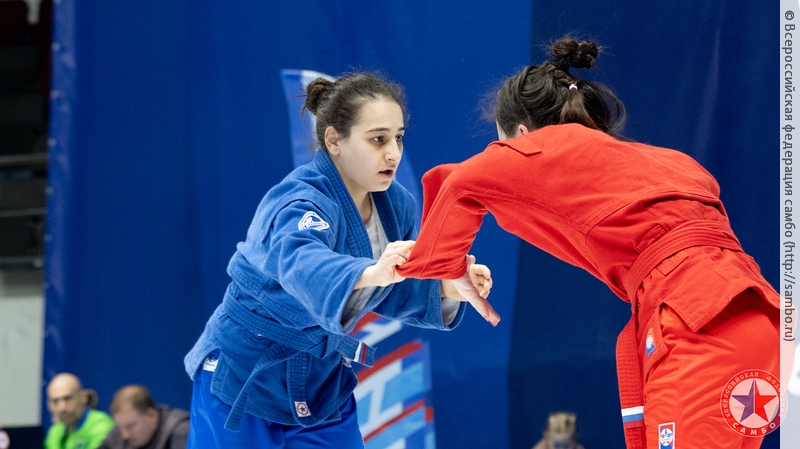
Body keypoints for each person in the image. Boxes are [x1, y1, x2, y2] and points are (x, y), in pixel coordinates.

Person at [397, 36, 784, 449]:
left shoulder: (533, 152)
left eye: (501, 143)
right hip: (762, 319)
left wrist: (449, 268)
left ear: (521, 135)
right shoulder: (672, 162)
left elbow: (457, 182)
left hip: (698, 323)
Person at [183, 71, 492, 448]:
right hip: (244, 374)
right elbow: (303, 262)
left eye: (398, 138)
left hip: (320, 381)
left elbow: (387, 286)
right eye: (378, 139)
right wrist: (370, 271)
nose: (393, 153)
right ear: (333, 140)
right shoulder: (300, 201)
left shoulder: (395, 204)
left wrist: (446, 287)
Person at [99, 385, 189, 449]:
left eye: (130, 426)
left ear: (151, 415)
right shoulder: (117, 433)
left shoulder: (180, 431)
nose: (125, 435)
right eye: (120, 427)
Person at [44, 373, 114, 449]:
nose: (62, 408)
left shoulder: (101, 425)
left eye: (68, 398)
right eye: (55, 401)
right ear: (49, 405)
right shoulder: (55, 431)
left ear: (83, 397)